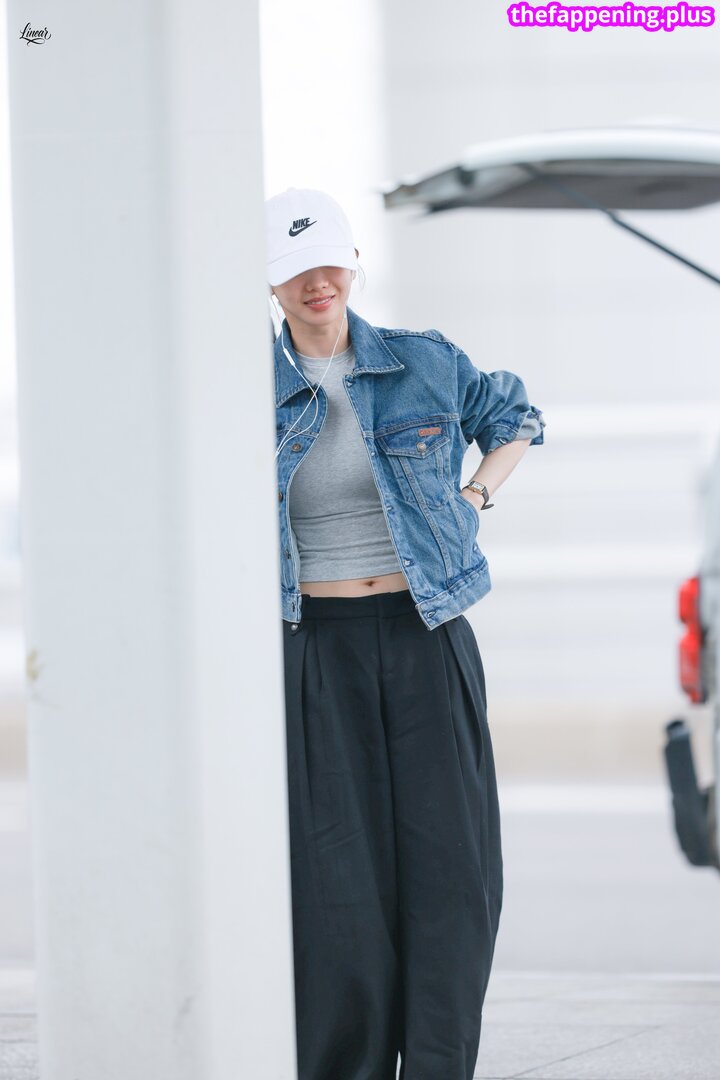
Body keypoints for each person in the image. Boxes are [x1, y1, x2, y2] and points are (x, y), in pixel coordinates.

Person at [266, 187, 545, 1080]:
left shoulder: (422, 360)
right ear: (270, 283)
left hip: (427, 635)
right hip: (315, 647)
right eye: (294, 269)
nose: (316, 282)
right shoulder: (243, 389)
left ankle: (436, 1066)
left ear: (352, 261)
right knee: (337, 886)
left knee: (453, 873)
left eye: (328, 261)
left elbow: (514, 417)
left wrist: (476, 495)